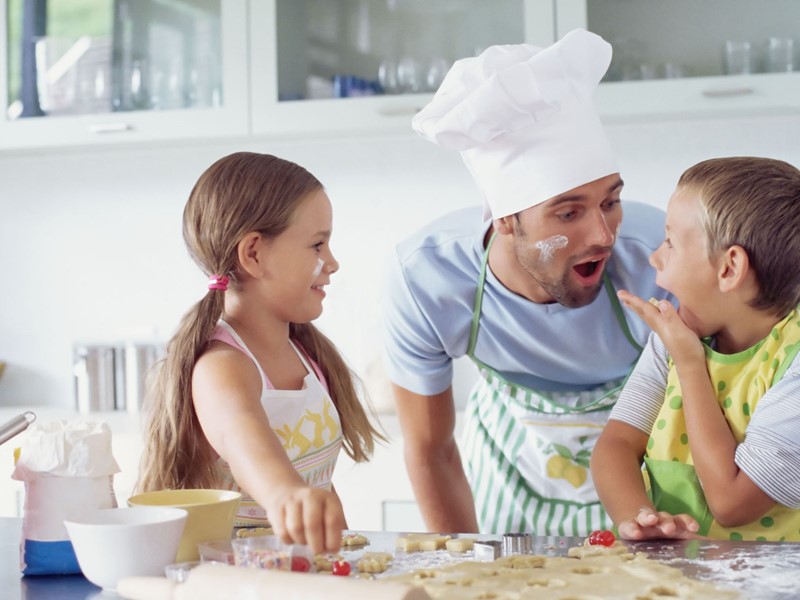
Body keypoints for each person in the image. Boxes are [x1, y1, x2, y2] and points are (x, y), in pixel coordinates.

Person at [382, 29, 671, 536]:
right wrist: (465, 567)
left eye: (610, 201)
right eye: (567, 213)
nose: (603, 235)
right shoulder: (427, 279)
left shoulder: (661, 256)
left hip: (642, 487)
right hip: (507, 480)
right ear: (505, 221)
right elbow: (431, 450)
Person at [137, 152, 384, 554]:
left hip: (295, 574)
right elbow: (242, 437)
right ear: (253, 253)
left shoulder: (305, 354)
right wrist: (286, 495)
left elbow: (314, 486)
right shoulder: (223, 367)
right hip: (237, 581)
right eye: (317, 245)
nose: (332, 263)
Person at [592, 156, 800, 542]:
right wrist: (640, 519)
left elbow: (731, 503)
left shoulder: (791, 362)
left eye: (670, 241)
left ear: (729, 269)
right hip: (676, 578)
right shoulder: (675, 334)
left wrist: (690, 364)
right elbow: (616, 444)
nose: (655, 256)